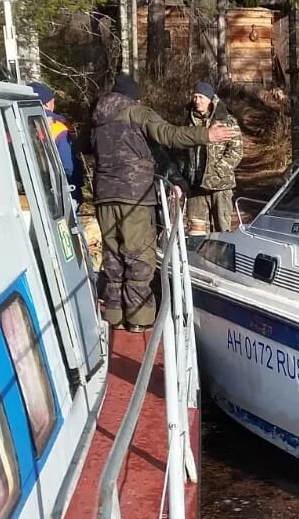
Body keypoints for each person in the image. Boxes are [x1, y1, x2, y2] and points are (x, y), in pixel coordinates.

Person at [92, 73, 239, 332]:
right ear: (133, 98)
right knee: (138, 256)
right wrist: (206, 135)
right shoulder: (137, 113)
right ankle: (139, 319)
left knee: (112, 256)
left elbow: (84, 146)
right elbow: (168, 135)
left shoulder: (97, 117)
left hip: (104, 195)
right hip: (134, 196)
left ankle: (113, 315)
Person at [183, 82, 244, 238]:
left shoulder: (226, 120)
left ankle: (221, 261)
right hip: (195, 185)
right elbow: (180, 149)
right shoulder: (188, 122)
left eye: (201, 97)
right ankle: (196, 261)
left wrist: (217, 171)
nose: (197, 100)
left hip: (220, 186)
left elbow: (236, 151)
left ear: (210, 99)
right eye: (195, 96)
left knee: (222, 231)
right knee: (196, 231)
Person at [29, 81, 82, 205]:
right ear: (47, 103)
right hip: (60, 192)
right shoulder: (58, 127)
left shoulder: (15, 124)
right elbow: (68, 166)